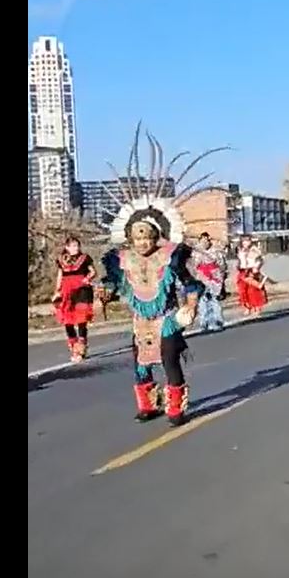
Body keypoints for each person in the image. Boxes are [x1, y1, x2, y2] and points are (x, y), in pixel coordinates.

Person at [99, 123, 227, 426]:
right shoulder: (122, 258)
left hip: (167, 316)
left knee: (169, 359)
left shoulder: (170, 256)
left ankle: (175, 407)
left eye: (147, 236)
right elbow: (115, 282)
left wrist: (191, 304)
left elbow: (190, 282)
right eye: (137, 236)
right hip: (140, 319)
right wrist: (105, 291)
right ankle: (147, 404)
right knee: (141, 363)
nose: (142, 242)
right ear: (129, 237)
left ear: (156, 236)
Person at [52, 236, 96, 363]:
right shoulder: (61, 260)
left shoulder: (84, 258)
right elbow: (60, 275)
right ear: (67, 247)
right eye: (72, 246)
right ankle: (73, 345)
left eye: (77, 246)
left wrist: (87, 279)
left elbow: (93, 272)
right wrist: (57, 290)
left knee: (81, 319)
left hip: (82, 290)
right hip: (67, 291)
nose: (75, 248)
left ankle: (81, 347)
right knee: (68, 320)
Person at [191, 232, 227, 332]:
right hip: (201, 277)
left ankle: (217, 321)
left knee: (214, 299)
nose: (205, 242)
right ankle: (204, 322)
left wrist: (221, 278)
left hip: (214, 277)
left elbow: (222, 265)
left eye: (206, 240)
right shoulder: (196, 251)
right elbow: (193, 266)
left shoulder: (216, 251)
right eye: (202, 240)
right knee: (203, 300)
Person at [236, 235, 268, 317]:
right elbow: (239, 261)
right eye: (244, 241)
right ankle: (247, 307)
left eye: (248, 241)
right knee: (242, 290)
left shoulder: (255, 250)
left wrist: (256, 267)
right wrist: (238, 266)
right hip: (243, 271)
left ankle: (257, 308)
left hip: (252, 270)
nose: (246, 243)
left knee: (253, 291)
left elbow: (260, 260)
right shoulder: (240, 250)